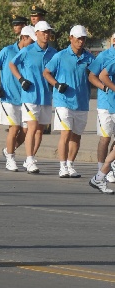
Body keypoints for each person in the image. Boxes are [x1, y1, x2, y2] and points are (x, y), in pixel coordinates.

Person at [43, 25, 99, 178]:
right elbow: (46, 72)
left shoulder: (89, 58)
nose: (81, 41)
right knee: (65, 134)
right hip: (63, 101)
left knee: (76, 136)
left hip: (81, 102)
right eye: (78, 38)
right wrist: (56, 84)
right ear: (71, 38)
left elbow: (97, 74)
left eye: (83, 38)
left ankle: (70, 164)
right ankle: (62, 166)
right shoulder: (60, 56)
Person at [9, 20, 57, 174]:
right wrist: (21, 79)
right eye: (43, 32)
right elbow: (12, 64)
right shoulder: (27, 50)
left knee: (40, 130)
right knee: (32, 127)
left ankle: (30, 157)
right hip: (30, 95)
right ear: (36, 34)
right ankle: (30, 160)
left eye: (48, 32)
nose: (46, 35)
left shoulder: (53, 53)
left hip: (46, 96)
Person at [0, 25, 35, 172]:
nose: (33, 43)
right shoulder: (7, 50)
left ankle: (9, 149)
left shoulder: (31, 52)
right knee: (14, 129)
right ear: (23, 38)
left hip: (26, 97)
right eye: (31, 40)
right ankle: (10, 158)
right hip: (8, 97)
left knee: (26, 131)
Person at [87, 32, 115, 181]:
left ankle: (108, 168)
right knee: (105, 137)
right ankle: (101, 167)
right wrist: (104, 88)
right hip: (105, 104)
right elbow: (92, 76)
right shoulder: (104, 56)